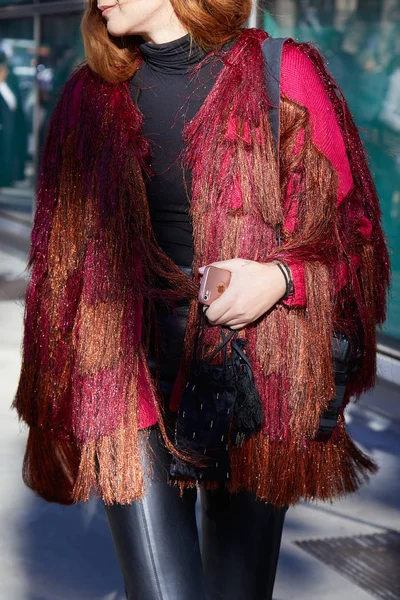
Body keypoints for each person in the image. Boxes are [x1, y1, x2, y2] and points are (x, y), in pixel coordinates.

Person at [12, 1, 390, 599]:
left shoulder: (280, 71)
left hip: (253, 376)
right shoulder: (89, 97)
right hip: (126, 376)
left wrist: (282, 277)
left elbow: (354, 233)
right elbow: (63, 262)